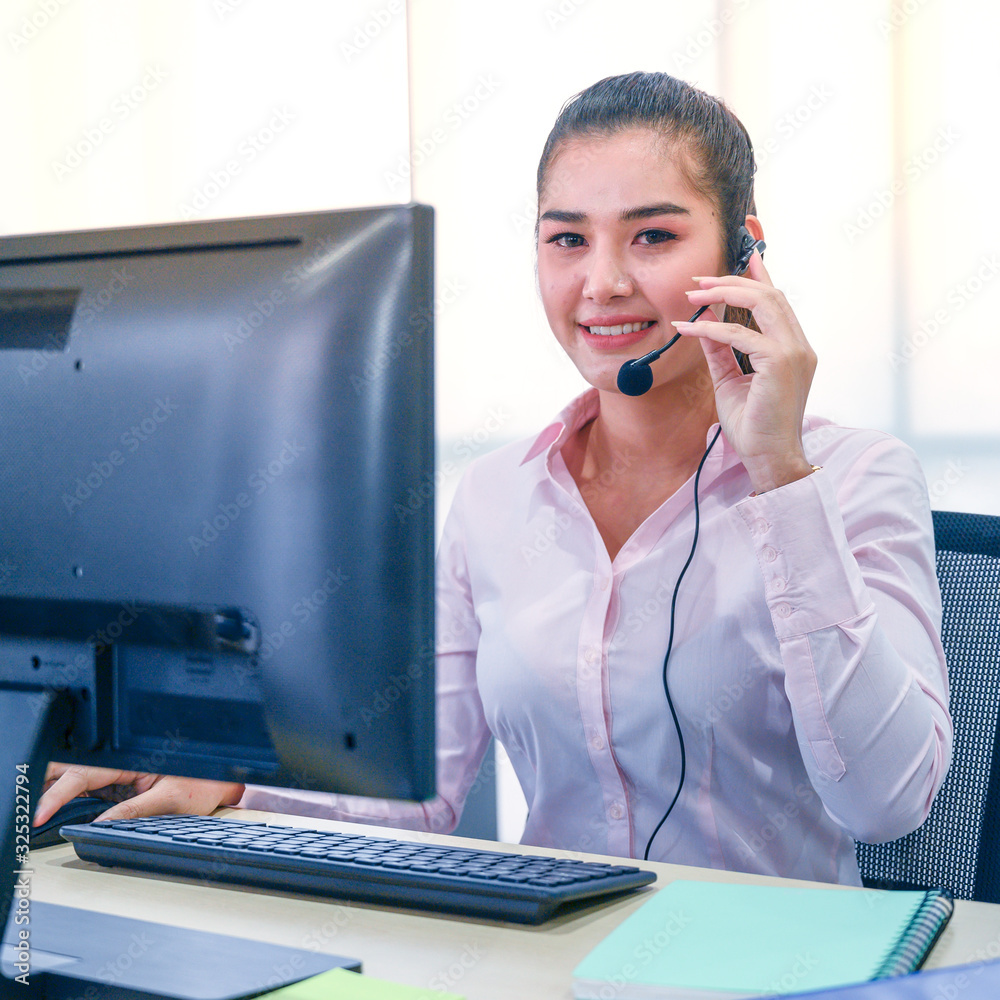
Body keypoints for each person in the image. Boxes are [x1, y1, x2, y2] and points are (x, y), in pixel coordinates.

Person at [35, 72, 951, 886]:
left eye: (653, 237)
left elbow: (887, 804)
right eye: (566, 240)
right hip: (550, 964)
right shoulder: (498, 500)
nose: (602, 283)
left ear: (744, 255)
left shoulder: (855, 478)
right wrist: (228, 774)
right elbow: (421, 799)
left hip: (781, 972)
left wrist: (781, 474)